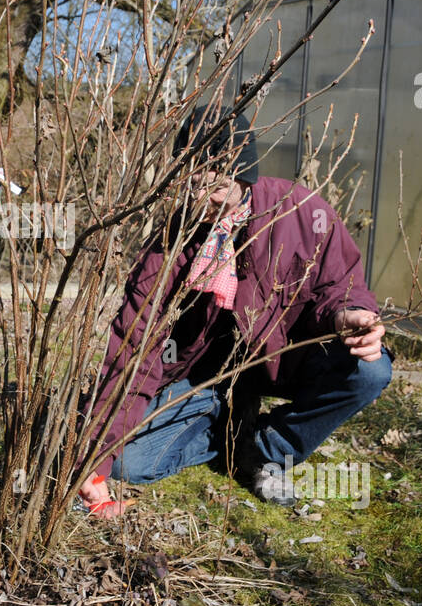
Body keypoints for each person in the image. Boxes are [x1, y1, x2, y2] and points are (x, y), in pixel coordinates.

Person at [76, 105, 391, 517]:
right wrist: (95, 458)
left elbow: (339, 284)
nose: (202, 198)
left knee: (369, 370)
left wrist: (347, 313)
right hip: (206, 373)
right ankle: (223, 423)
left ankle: (264, 450)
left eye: (216, 187)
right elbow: (135, 343)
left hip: (287, 358)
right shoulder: (174, 238)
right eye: (191, 184)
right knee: (130, 464)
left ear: (244, 173)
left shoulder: (301, 211)